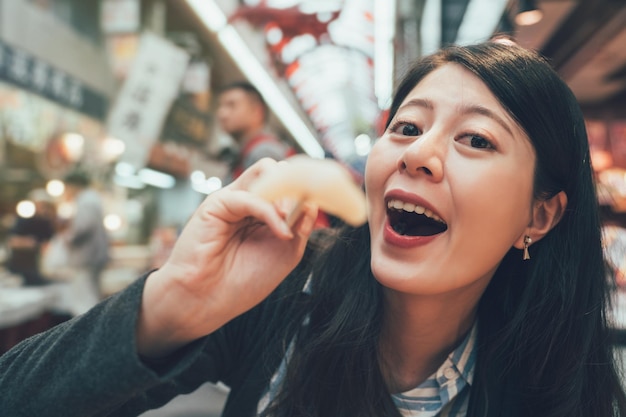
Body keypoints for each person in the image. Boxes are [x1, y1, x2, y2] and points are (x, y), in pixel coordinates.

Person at [0, 41, 625, 417]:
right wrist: (174, 302)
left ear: (538, 216)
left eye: (476, 139)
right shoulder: (280, 295)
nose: (417, 154)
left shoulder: (573, 388)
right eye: (407, 127)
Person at [217, 81, 294, 182]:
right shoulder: (249, 152)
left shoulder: (264, 153)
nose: (222, 113)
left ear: (256, 111)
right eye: (221, 106)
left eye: (232, 105)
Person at [59, 170, 110, 302]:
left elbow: (84, 226)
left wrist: (69, 237)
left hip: (88, 257)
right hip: (92, 256)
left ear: (73, 185)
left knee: (87, 298)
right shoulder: (91, 198)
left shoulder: (87, 200)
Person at [6, 189, 56, 285]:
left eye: (44, 205)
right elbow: (13, 242)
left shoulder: (47, 223)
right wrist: (30, 243)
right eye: (39, 204)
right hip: (21, 266)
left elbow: (49, 244)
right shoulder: (23, 221)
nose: (42, 208)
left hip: (39, 267)